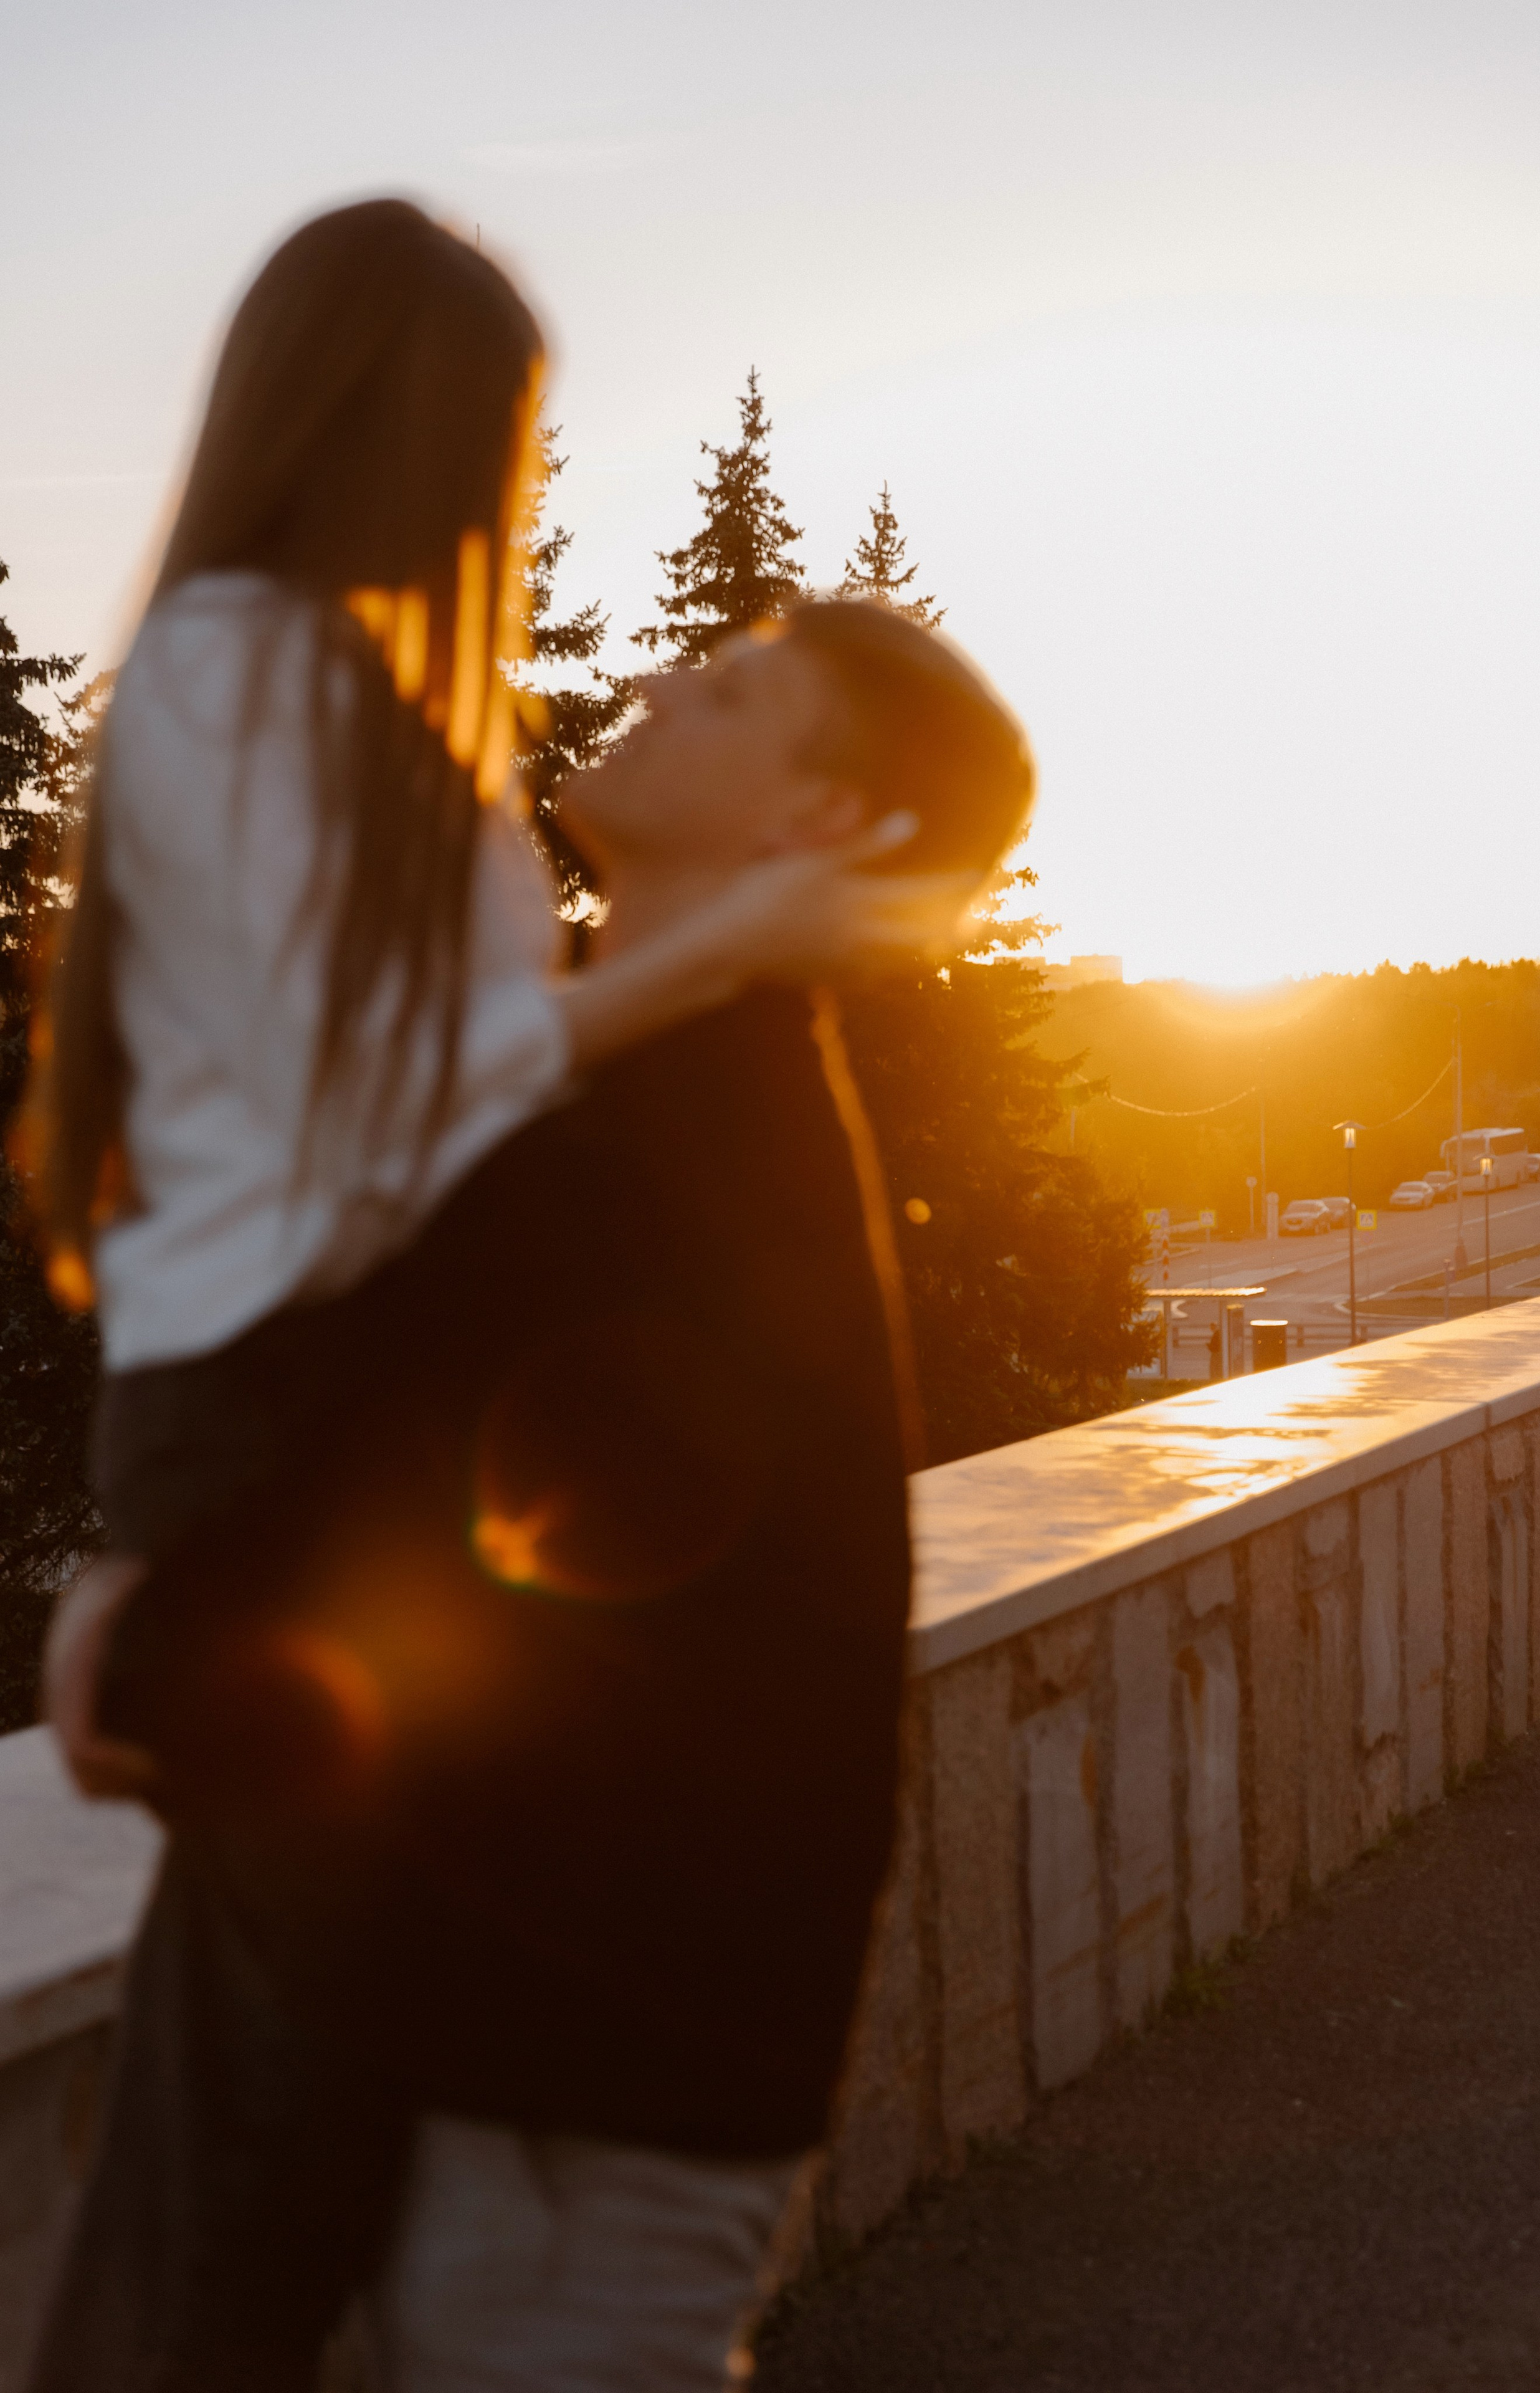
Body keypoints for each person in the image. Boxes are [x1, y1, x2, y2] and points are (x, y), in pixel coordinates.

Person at [17, 194, 979, 2393]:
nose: (644, 663)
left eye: (719, 686)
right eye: (509, 440)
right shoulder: (284, 716)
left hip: (590, 2052)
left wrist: (156, 1619)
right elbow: (388, 1279)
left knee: (191, 2276)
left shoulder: (687, 1105)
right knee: (192, 2262)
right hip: (545, 1996)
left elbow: (516, 1513)